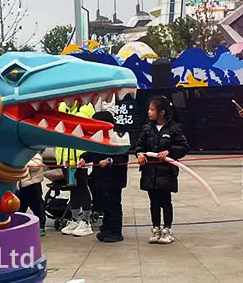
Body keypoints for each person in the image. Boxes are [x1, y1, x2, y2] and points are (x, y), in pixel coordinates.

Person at [136, 95, 190, 245]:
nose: (149, 112)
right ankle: (155, 228)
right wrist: (140, 154)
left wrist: (169, 152)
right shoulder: (147, 129)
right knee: (153, 202)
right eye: (149, 109)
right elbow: (139, 147)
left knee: (165, 201)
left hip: (166, 172)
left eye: (152, 109)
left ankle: (167, 229)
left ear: (162, 112)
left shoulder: (174, 129)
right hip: (149, 172)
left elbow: (184, 147)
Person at [79, 111, 129, 243]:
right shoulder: (98, 137)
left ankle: (116, 231)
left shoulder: (118, 136)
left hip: (114, 178)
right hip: (99, 177)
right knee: (104, 205)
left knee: (114, 205)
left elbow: (123, 156)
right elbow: (91, 153)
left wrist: (109, 160)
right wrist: (83, 158)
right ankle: (106, 228)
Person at [57, 98, 95, 237]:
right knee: (72, 187)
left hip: (81, 157)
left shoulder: (87, 108)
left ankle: (86, 222)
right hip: (65, 157)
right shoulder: (61, 107)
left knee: (82, 186)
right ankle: (75, 219)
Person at [18, 153, 46, 237]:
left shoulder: (34, 154)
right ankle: (18, 225)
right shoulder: (17, 154)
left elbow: (36, 165)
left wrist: (24, 163)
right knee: (20, 207)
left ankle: (41, 226)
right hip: (21, 185)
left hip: (33, 185)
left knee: (37, 206)